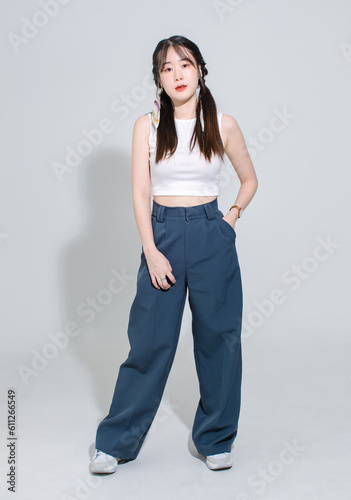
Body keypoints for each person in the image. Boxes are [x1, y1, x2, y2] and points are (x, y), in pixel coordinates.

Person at [90, 35, 258, 474]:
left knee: (220, 340)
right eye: (167, 68)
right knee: (149, 343)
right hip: (161, 235)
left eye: (185, 64)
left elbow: (249, 180)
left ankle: (216, 438)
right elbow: (141, 191)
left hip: (210, 234)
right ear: (158, 80)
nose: (177, 74)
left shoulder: (224, 124)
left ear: (200, 69)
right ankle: (115, 443)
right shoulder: (146, 126)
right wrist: (151, 250)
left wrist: (230, 220)